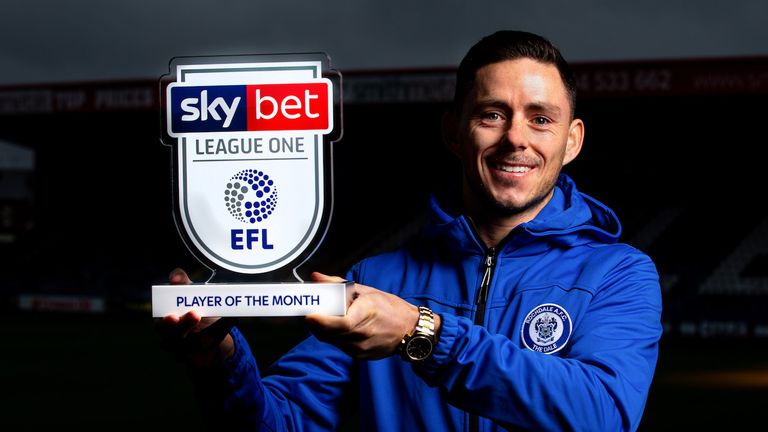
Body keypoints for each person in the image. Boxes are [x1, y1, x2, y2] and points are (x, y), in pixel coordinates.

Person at [156, 30, 662, 431]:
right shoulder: (377, 279)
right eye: (492, 114)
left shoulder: (619, 274)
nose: (515, 138)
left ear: (572, 141)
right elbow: (281, 423)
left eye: (541, 119)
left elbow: (604, 414)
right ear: (453, 133)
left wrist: (422, 334)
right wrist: (220, 362)